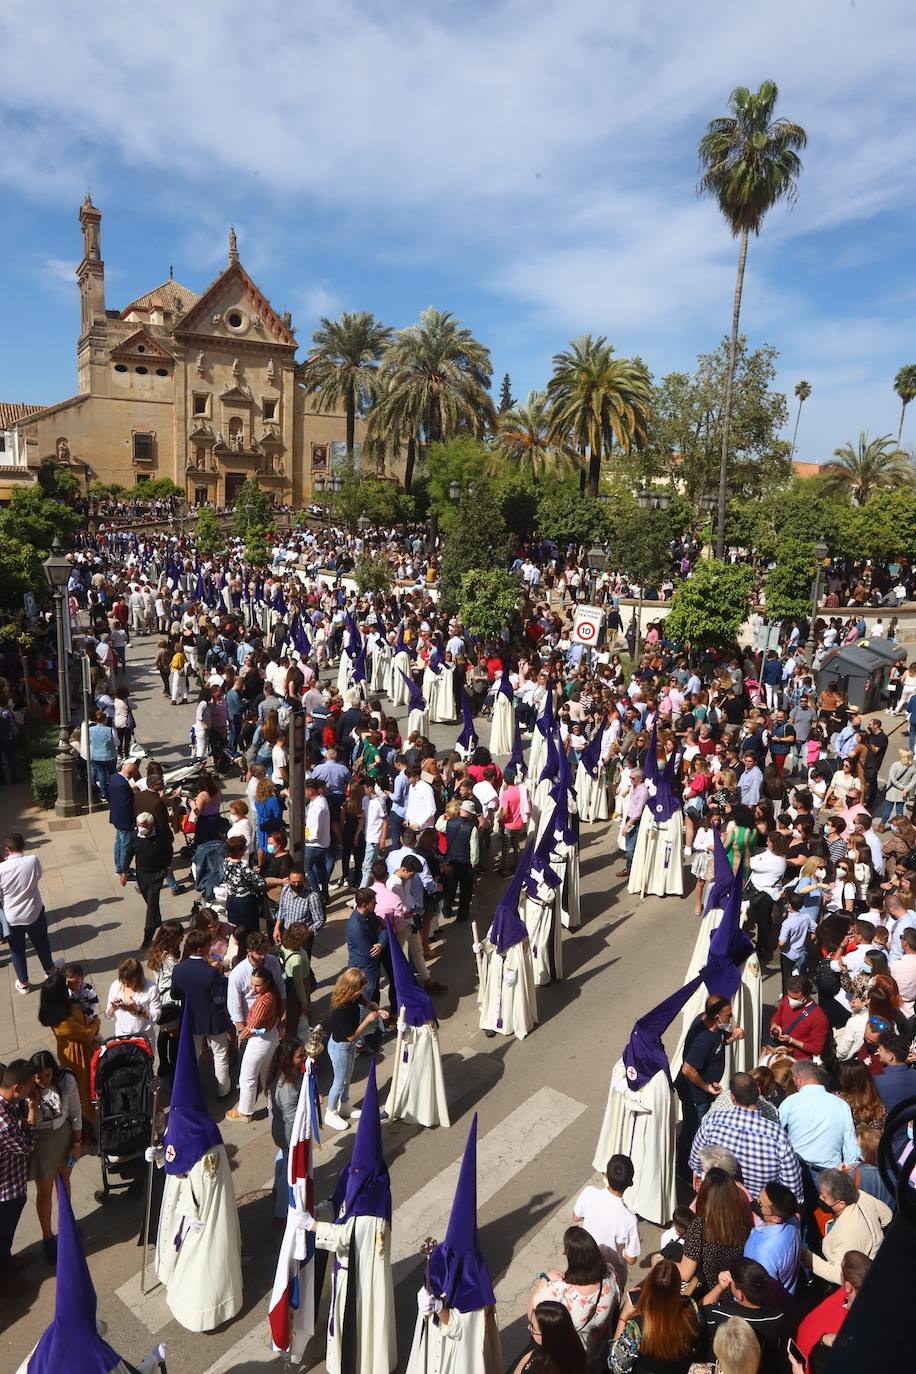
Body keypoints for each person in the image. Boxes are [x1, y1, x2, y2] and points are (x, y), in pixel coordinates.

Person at [303, 1060, 397, 1374]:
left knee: (360, 1316)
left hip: (361, 1268)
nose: (352, 1173)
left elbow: (348, 1236)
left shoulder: (375, 1194)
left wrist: (315, 1227)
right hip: (344, 1266)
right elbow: (338, 1201)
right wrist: (321, 1211)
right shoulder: (355, 1173)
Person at [152, 1014, 243, 1331]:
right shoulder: (183, 1125)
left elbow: (201, 1187)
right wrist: (160, 1155)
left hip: (197, 1215)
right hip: (182, 1204)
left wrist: (186, 1212)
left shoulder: (205, 1145)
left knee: (202, 1260)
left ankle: (207, 1310)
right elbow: (173, 1154)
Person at [406, 1116, 503, 1374]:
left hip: (457, 1359)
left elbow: (463, 1329)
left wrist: (439, 1307)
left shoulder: (476, 1284)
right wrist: (424, 1300)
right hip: (434, 1350)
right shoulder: (442, 1257)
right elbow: (433, 1285)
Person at [688, 1072, 802, 1201]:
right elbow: (792, 1187)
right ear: (758, 1093)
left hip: (716, 1203)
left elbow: (696, 1159)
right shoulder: (776, 1134)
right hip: (758, 1212)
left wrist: (699, 1172)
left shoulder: (713, 1121)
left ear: (732, 1097)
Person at [676, 995, 744, 1178]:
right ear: (716, 1017)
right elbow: (688, 1069)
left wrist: (733, 1038)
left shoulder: (715, 1028)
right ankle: (684, 1168)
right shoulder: (703, 1039)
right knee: (694, 1130)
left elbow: (720, 1043)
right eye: (728, 1016)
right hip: (695, 1095)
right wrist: (706, 1087)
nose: (731, 1019)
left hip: (704, 1090)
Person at [528, 1225, 617, 1363]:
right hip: (597, 1355)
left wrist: (547, 1278)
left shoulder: (557, 1292)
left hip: (570, 1360)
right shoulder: (610, 1276)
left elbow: (533, 1317)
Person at [27, 1049, 82, 1264]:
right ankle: (48, 1237)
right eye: (38, 1076)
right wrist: (31, 1104)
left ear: (53, 1071)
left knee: (64, 1181)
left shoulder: (66, 1081)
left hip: (64, 1138)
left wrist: (76, 1144)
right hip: (41, 1144)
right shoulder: (27, 1090)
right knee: (44, 1191)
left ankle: (66, 1225)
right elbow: (25, 1125)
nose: (42, 1080)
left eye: (47, 1075)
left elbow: (76, 1113)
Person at [609, 1260, 702, 1374]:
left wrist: (623, 1317)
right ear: (678, 1286)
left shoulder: (637, 1326)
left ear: (648, 1285)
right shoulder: (691, 1307)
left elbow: (616, 1365)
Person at [800, 1169, 891, 1284]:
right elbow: (887, 1215)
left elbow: (840, 1275)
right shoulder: (860, 1195)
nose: (821, 1198)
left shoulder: (846, 1234)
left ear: (841, 1203)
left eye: (824, 1196)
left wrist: (805, 1255)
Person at [170, 928, 232, 1099]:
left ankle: (193, 1088)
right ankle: (223, 1090)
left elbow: (175, 994)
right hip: (213, 1019)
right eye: (208, 945)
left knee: (193, 1055)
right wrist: (223, 978)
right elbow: (220, 997)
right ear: (200, 950)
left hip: (191, 1019)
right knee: (220, 1055)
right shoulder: (211, 972)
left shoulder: (179, 969)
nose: (210, 948)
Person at [325, 967, 387, 1130]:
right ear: (352, 988)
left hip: (347, 1047)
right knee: (339, 1081)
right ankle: (330, 1113)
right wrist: (367, 1020)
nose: (363, 990)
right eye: (361, 987)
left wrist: (376, 1008)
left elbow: (365, 1001)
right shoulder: (342, 1009)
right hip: (341, 1047)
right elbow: (351, 1036)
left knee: (348, 1076)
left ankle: (344, 1104)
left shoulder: (352, 996)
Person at [703, 1258, 787, 1373]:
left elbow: (701, 1308)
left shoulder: (720, 1314)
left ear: (739, 1294)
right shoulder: (778, 1316)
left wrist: (721, 1286)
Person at [676, 1168, 751, 1297]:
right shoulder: (741, 1224)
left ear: (705, 1195)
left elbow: (685, 1273)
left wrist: (662, 1262)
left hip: (707, 1294)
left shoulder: (699, 1227)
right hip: (733, 1293)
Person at [0, 831, 57, 995]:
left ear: (7, 849)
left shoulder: (1, 869)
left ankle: (24, 983)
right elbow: (38, 876)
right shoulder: (32, 861)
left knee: (17, 950)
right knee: (41, 942)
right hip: (34, 911)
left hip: (12, 917)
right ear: (23, 846)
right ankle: (50, 969)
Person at [0, 1060, 38, 1298]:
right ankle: (5, 1283)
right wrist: (32, 1112)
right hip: (5, 1192)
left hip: (11, 1184)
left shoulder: (7, 1104)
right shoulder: (3, 1122)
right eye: (27, 1089)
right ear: (16, 1088)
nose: (29, 1094)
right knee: (2, 1237)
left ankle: (8, 1262)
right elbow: (25, 1147)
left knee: (6, 1237)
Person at [572, 1154, 640, 1284]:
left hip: (585, 1265)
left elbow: (576, 1216)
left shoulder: (589, 1192)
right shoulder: (630, 1220)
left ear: (606, 1175)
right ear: (630, 1183)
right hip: (613, 1277)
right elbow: (631, 1259)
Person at [226, 967, 280, 1124]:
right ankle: (274, 1106)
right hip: (270, 1036)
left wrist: (240, 1038)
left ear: (267, 983)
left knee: (247, 1077)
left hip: (260, 1040)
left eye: (257, 985)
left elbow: (251, 1026)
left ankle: (245, 1112)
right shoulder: (271, 995)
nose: (253, 988)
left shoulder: (263, 1002)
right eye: (252, 984)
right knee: (266, 1075)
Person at [266, 1035, 306, 1220]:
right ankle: (281, 1211)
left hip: (277, 1128)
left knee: (283, 1154)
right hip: (289, 1132)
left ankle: (276, 1188)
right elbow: (292, 1118)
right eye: (301, 1056)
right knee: (289, 1170)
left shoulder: (279, 1073)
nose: (304, 1058)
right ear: (289, 1059)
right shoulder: (288, 1086)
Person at [121, 811, 174, 947]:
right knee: (150, 901)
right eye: (139, 825)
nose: (141, 828)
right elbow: (129, 853)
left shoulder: (161, 836)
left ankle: (148, 937)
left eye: (143, 826)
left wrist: (167, 865)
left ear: (151, 825)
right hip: (142, 874)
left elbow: (168, 851)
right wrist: (124, 871)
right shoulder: (135, 836)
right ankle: (157, 920)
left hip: (157, 874)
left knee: (151, 903)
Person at [742, 1181, 801, 1295]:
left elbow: (760, 1291)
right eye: (758, 1197)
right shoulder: (792, 1219)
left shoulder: (765, 1252)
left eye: (761, 1205)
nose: (756, 1202)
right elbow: (761, 1223)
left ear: (775, 1218)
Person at [511, 1300, 586, 1374]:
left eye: (533, 1329)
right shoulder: (573, 1347)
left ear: (548, 1337)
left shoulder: (541, 1368)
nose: (528, 1327)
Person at [767, 975, 829, 1062]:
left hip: (797, 1060)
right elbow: (776, 1017)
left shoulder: (819, 1017)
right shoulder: (786, 1000)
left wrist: (791, 1040)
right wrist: (774, 1025)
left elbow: (816, 1049)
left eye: (795, 998)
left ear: (806, 996)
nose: (791, 1001)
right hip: (777, 1053)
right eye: (789, 996)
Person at [105, 956, 162, 1048]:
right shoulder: (116, 985)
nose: (126, 984)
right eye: (123, 981)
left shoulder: (151, 989)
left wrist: (138, 1009)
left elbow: (156, 1016)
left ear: (138, 977)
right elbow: (108, 1014)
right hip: (121, 1037)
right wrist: (113, 1007)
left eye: (130, 982)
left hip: (142, 1040)